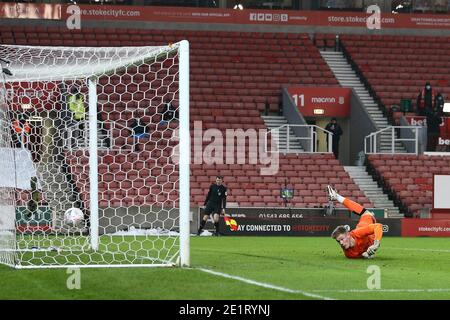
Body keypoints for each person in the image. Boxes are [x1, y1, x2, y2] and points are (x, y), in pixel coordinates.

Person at [327, 185, 383, 259]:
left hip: (365, 224)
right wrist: (367, 254)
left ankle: (337, 196)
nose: (341, 243)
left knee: (366, 214)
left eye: (342, 239)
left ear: (348, 235)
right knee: (364, 213)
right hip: (364, 235)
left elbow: (378, 226)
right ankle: (336, 196)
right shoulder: (349, 254)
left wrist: (376, 244)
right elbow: (361, 255)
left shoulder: (358, 233)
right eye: (338, 241)